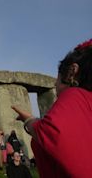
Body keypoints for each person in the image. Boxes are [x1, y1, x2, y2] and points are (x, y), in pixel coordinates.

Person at [12, 38, 92, 177]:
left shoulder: (75, 94)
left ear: (72, 72)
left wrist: (30, 121)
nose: (54, 85)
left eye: (57, 78)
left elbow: (53, 133)